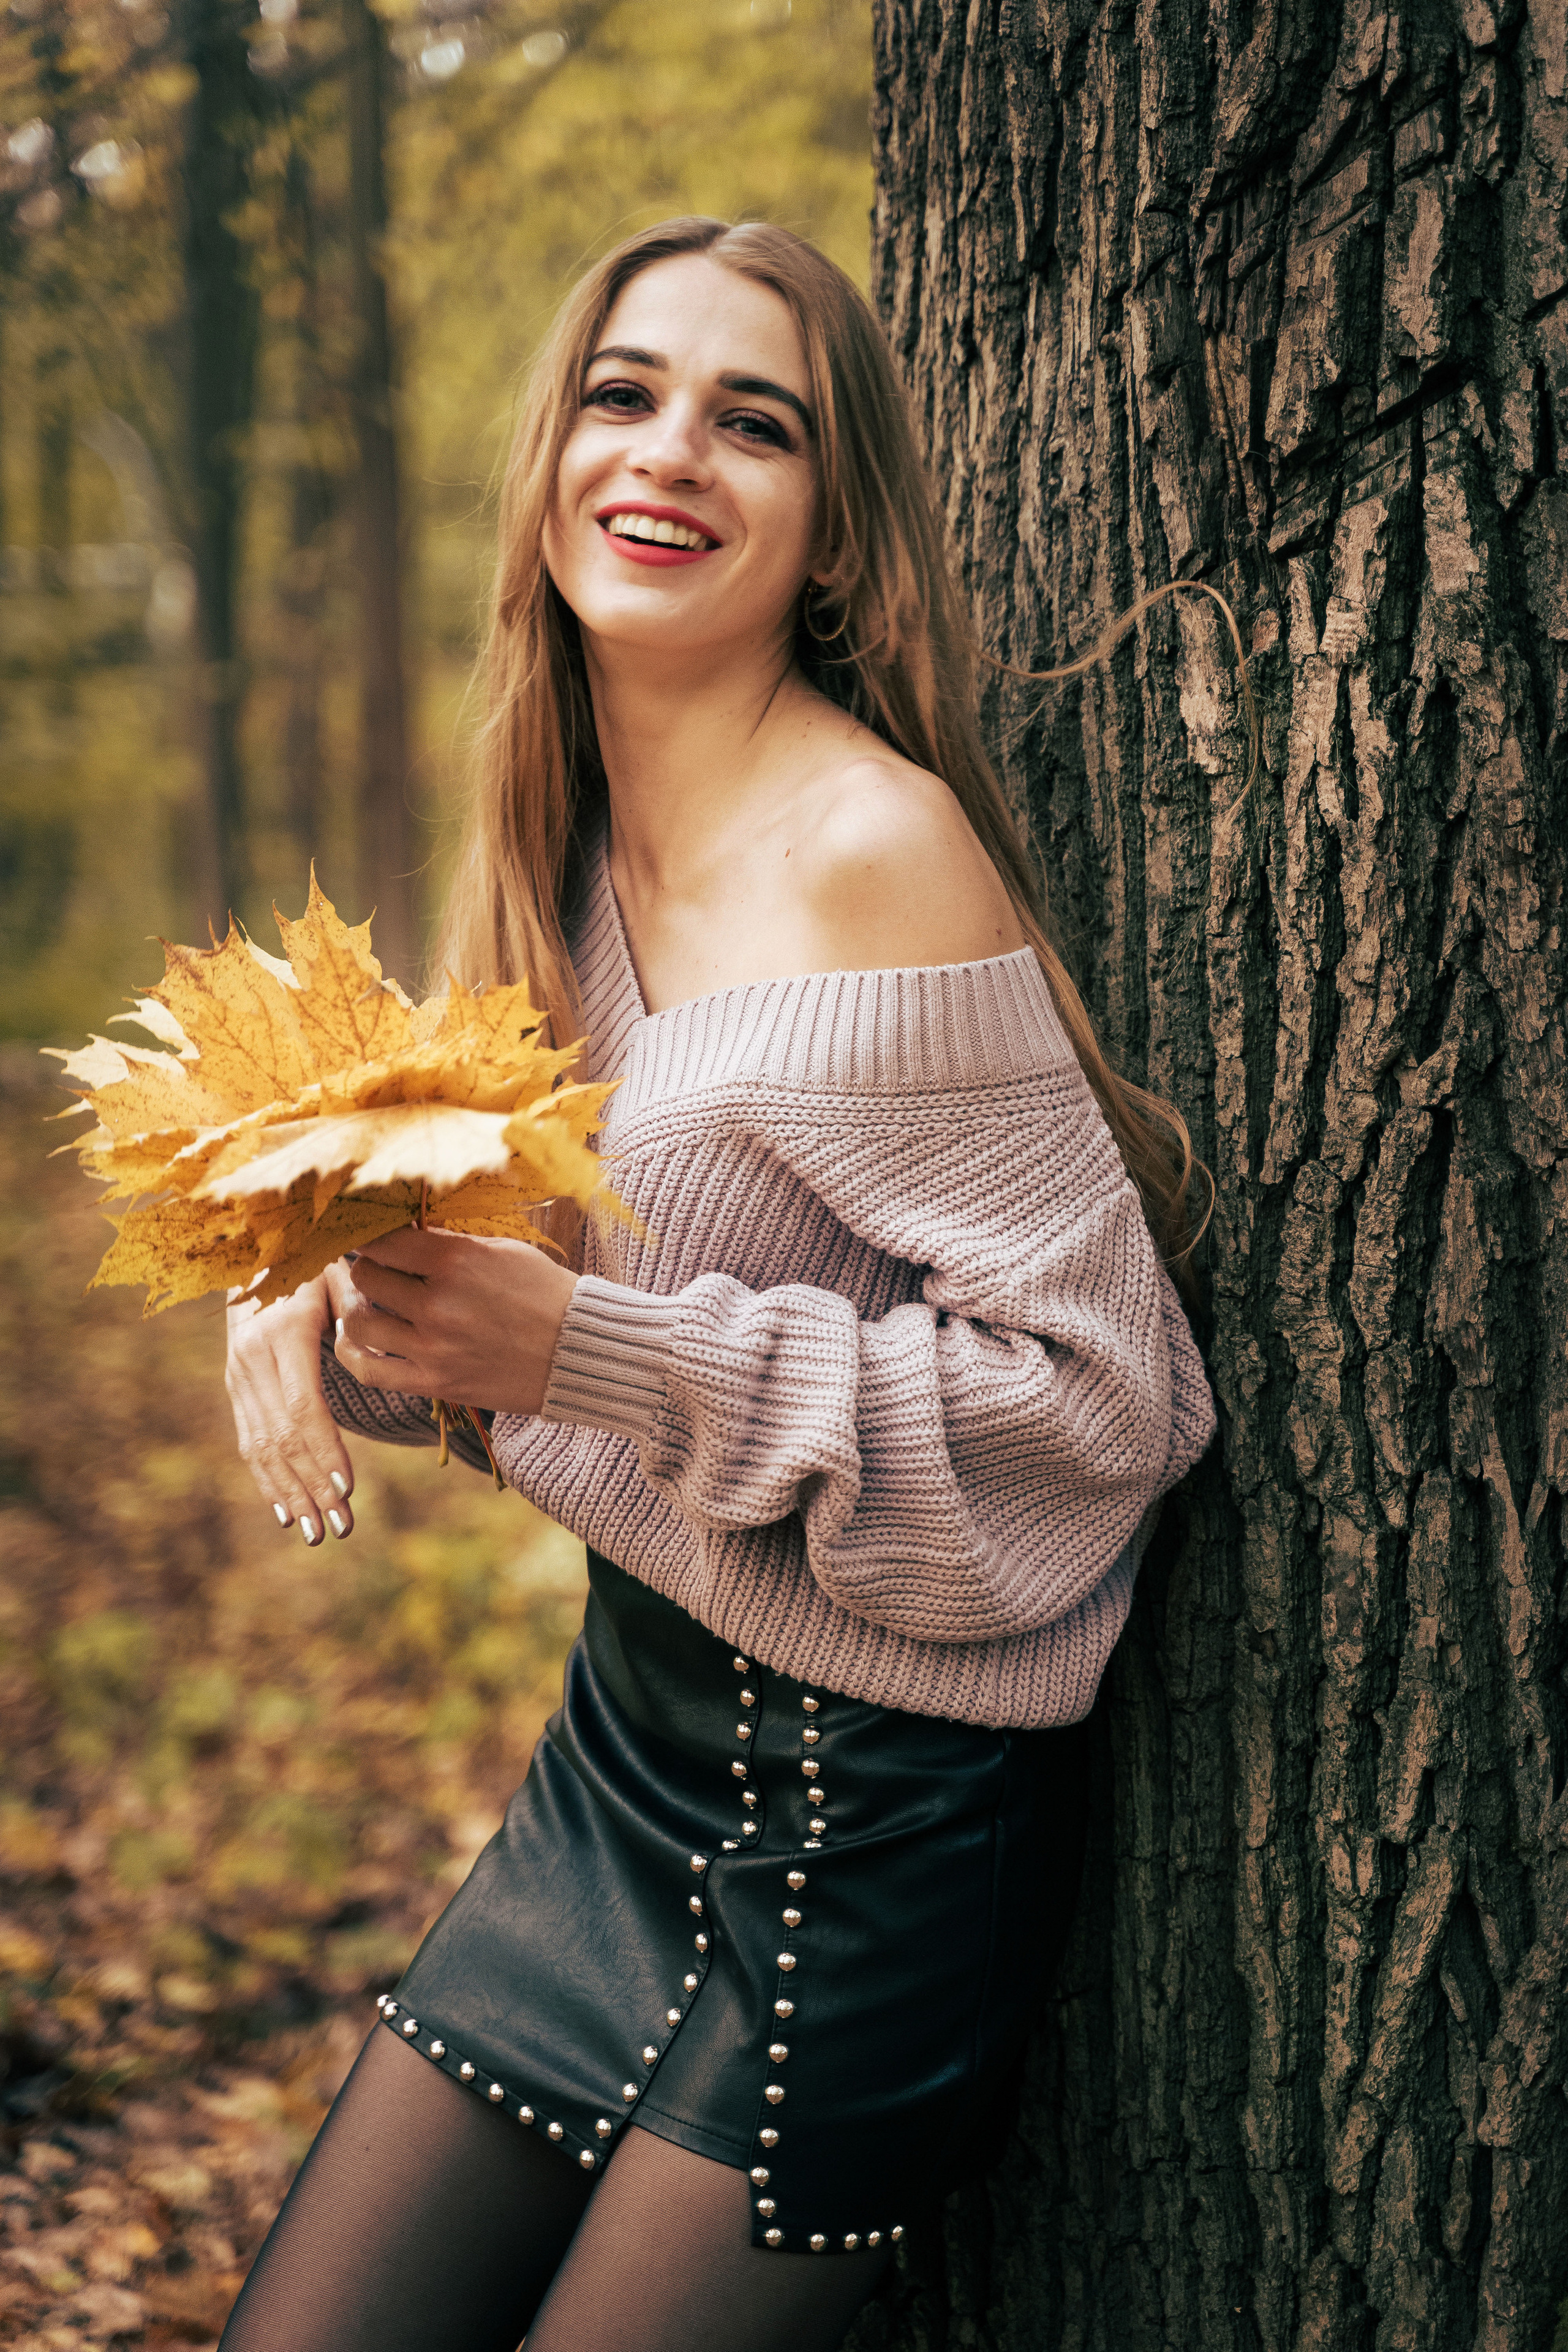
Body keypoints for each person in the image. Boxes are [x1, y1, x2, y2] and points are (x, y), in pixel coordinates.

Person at [217, 216, 1217, 2352]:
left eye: (752, 422)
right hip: (621, 1767)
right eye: (624, 392)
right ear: (554, 458)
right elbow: (534, 1358)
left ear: (833, 536)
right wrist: (309, 1279)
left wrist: (595, 1340)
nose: (669, 453)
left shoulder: (871, 850)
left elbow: (1106, 1408)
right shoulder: (560, 855)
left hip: (874, 1839)